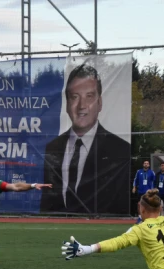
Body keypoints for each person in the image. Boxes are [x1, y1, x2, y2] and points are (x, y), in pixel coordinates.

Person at [41, 64, 131, 214]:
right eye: (74, 97)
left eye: (89, 96)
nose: (82, 105)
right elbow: (48, 199)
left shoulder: (120, 150)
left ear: (100, 103)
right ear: (67, 104)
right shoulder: (52, 147)